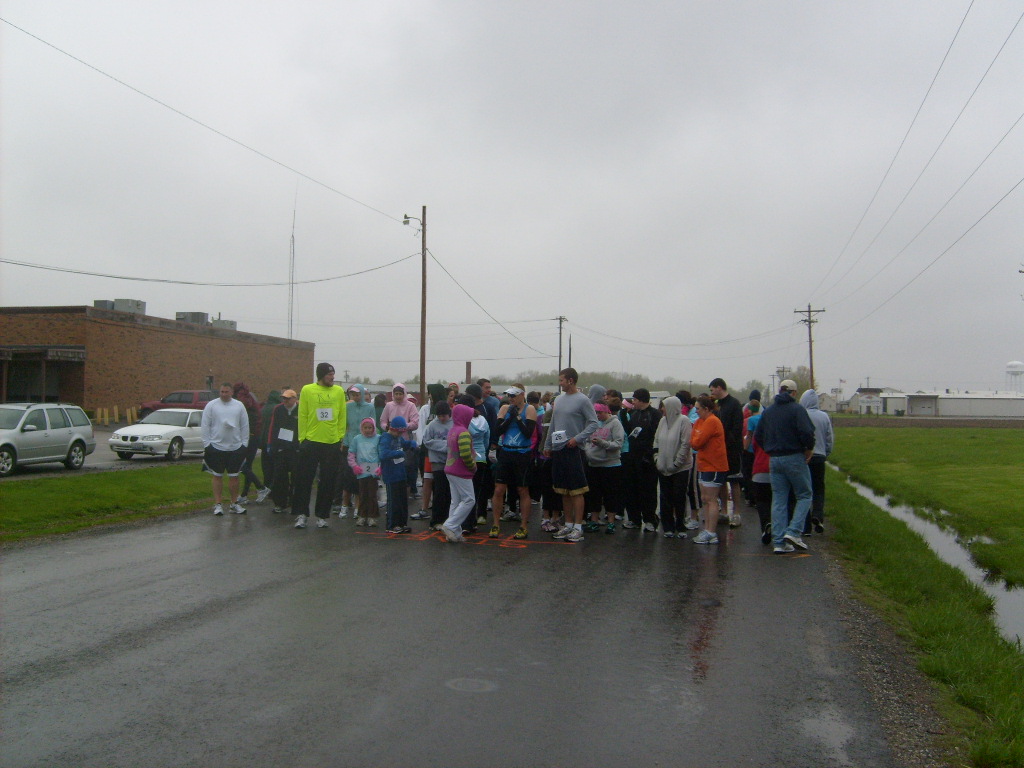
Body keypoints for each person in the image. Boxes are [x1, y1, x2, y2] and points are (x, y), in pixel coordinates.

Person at [753, 380, 817, 554]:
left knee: (779, 498)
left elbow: (758, 435)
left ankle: (779, 542)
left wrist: (769, 447)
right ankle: (794, 531)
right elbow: (807, 432)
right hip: (794, 456)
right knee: (804, 494)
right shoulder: (797, 409)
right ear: (794, 393)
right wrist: (808, 448)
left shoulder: (769, 411)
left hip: (774, 459)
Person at [542, 368, 599, 543]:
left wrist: (578, 438)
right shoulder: (558, 399)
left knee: (576, 490)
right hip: (559, 449)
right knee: (563, 490)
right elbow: (554, 423)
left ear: (571, 380)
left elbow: (593, 423)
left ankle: (578, 527)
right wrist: (548, 444)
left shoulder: (583, 400)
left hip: (574, 450)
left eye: (562, 380)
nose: (560, 383)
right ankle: (567, 524)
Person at [293, 363, 346, 530]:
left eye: (333, 374)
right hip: (311, 441)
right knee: (304, 479)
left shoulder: (338, 391)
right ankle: (301, 514)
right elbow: (302, 415)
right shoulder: (308, 390)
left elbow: (341, 415)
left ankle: (322, 515)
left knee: (328, 480)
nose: (332, 377)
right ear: (321, 375)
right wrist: (302, 438)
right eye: (329, 374)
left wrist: (339, 437)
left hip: (331, 443)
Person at [490, 386, 537, 540]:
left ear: (522, 395)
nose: (511, 399)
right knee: (499, 489)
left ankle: (523, 526)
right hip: (506, 451)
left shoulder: (529, 409)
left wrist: (517, 417)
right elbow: (497, 431)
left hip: (522, 453)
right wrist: (509, 417)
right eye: (509, 395)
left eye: (514, 396)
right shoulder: (504, 408)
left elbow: (528, 433)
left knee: (522, 490)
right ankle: (496, 524)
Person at [201, 382, 250, 516]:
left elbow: (245, 425)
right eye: (222, 392)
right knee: (217, 475)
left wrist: (244, 444)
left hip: (235, 447)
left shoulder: (239, 406)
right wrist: (207, 444)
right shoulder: (212, 405)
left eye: (226, 392)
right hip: (216, 447)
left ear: (232, 392)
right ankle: (218, 504)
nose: (223, 394)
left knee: (234, 477)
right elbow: (205, 425)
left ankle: (234, 503)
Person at [689, 394, 729, 544]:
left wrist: (696, 440)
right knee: (704, 498)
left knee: (711, 499)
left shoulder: (712, 421)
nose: (696, 411)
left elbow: (697, 442)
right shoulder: (700, 422)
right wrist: (695, 440)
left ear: (706, 409)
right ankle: (706, 529)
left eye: (698, 409)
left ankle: (711, 531)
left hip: (714, 465)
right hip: (703, 464)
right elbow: (693, 440)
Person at [621, 388, 661, 532]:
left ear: (642, 400)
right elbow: (630, 433)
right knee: (631, 489)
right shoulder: (633, 414)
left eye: (635, 399)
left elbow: (657, 436)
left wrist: (651, 454)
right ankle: (634, 518)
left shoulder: (655, 414)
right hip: (633, 457)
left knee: (648, 491)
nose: (633, 402)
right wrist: (623, 416)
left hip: (647, 459)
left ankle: (650, 519)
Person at [654, 395, 693, 539]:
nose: (662, 409)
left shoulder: (684, 421)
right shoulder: (662, 421)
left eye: (664, 406)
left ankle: (680, 524)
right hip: (663, 466)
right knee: (665, 496)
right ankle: (667, 526)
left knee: (679, 496)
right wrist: (657, 459)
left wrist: (677, 462)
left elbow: (685, 444)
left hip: (680, 468)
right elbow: (656, 440)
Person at [583, 402, 625, 534]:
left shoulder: (615, 423)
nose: (598, 415)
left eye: (600, 412)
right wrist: (587, 449)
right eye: (595, 413)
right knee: (594, 494)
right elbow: (586, 439)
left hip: (610, 464)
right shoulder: (593, 424)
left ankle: (611, 521)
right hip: (594, 464)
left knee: (610, 494)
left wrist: (602, 443)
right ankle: (594, 520)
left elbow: (618, 443)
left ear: (607, 412)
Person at [336, 384, 377, 517]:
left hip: (364, 445)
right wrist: (341, 440)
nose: (355, 396)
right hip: (349, 443)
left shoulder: (370, 407)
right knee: (347, 476)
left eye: (357, 394)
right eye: (353, 394)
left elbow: (373, 424)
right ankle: (345, 505)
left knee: (362, 477)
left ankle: (359, 507)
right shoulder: (348, 406)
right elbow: (343, 424)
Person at [708, 378, 744, 527]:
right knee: (721, 480)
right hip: (718, 450)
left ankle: (736, 513)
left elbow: (737, 427)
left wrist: (727, 441)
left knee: (734, 481)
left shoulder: (734, 404)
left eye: (712, 390)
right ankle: (723, 511)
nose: (711, 393)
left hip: (732, 449)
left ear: (719, 387)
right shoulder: (717, 406)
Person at [440, 403, 477, 543]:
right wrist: (472, 467)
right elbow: (466, 454)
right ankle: (450, 525)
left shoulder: (452, 430)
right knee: (469, 499)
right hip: (461, 471)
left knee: (455, 501)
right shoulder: (464, 432)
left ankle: (454, 532)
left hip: (449, 469)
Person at [799, 389, 834, 534]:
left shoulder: (801, 415)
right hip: (820, 456)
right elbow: (829, 438)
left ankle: (805, 525)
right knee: (819, 488)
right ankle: (818, 515)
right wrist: (827, 452)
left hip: (805, 457)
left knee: (804, 490)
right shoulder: (824, 416)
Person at [234, 382, 271, 504]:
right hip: (254, 435)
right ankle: (244, 495)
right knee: (247, 466)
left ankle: (261, 487)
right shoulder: (249, 396)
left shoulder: (242, 399)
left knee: (241, 465)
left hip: (250, 436)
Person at [379, 415, 417, 534]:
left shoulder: (399, 438)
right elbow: (383, 454)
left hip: (401, 473)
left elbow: (404, 444)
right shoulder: (385, 438)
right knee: (393, 501)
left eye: (402, 432)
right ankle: (391, 525)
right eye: (398, 432)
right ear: (392, 429)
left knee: (402, 501)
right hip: (391, 475)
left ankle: (401, 523)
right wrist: (397, 453)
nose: (400, 435)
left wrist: (412, 444)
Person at [421, 401, 454, 531]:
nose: (441, 418)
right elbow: (427, 441)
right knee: (439, 491)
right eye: (439, 416)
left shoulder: (454, 423)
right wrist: (445, 445)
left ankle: (448, 519)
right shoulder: (432, 425)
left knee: (449, 492)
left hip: (451, 462)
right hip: (437, 463)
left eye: (444, 416)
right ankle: (436, 520)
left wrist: (448, 446)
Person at [267, 388, 299, 514]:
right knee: (280, 476)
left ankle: (294, 501)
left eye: (288, 398)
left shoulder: (301, 409)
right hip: (281, 448)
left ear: (295, 399)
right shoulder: (278, 409)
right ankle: (280, 503)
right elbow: (273, 426)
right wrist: (271, 444)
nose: (285, 401)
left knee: (296, 477)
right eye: (284, 398)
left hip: (296, 449)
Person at [347, 417, 382, 526]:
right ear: (361, 428)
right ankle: (362, 515)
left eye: (370, 428)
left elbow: (381, 454)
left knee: (372, 494)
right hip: (361, 471)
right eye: (365, 427)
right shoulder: (357, 439)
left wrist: (381, 467)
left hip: (373, 471)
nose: (367, 430)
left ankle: (372, 516)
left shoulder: (378, 438)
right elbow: (351, 454)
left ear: (373, 428)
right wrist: (354, 466)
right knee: (362, 494)